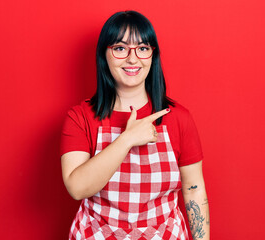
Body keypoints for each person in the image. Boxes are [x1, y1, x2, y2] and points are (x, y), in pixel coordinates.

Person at [60, 10, 210, 240]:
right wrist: (127, 139)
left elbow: (194, 188)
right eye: (120, 48)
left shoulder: (179, 118)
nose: (133, 59)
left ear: (152, 55)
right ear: (104, 54)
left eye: (142, 48)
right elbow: (78, 188)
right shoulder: (79, 117)